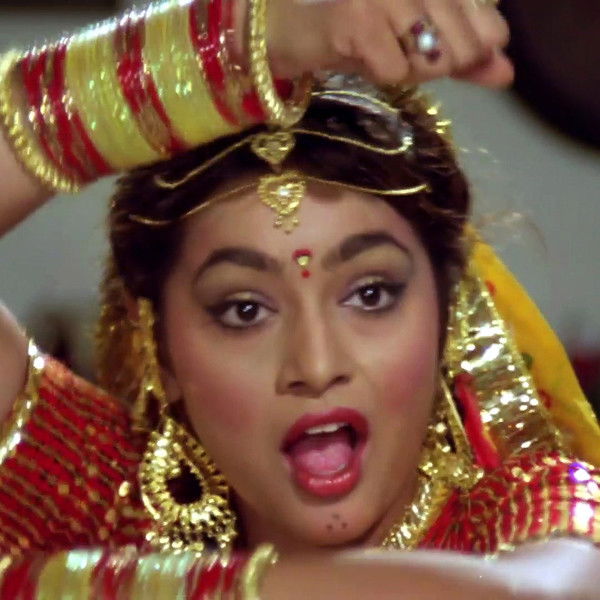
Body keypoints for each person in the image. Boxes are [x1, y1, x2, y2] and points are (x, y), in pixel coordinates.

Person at [0, 0, 599, 597]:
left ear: (449, 318)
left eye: (370, 295)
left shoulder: (538, 517)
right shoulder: (109, 510)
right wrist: (251, 38)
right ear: (159, 347)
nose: (316, 365)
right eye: (245, 311)